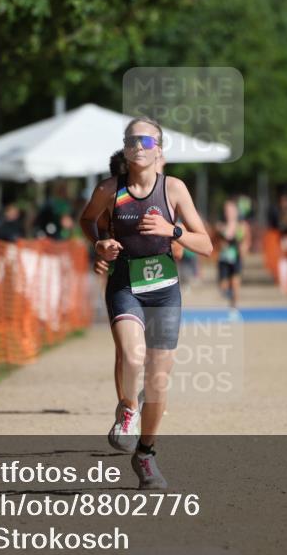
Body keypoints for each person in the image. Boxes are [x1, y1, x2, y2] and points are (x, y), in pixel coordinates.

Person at [80, 117, 212, 490]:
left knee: (157, 379)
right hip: (125, 283)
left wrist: (173, 231)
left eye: (147, 141)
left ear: (160, 150)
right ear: (125, 148)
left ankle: (146, 454)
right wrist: (99, 243)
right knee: (132, 356)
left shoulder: (174, 189)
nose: (139, 146)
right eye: (132, 140)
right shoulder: (109, 189)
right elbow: (88, 220)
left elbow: (206, 244)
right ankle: (127, 410)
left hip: (165, 289)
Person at [216, 199, 251, 308]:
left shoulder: (242, 225)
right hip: (224, 259)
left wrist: (244, 248)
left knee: (235, 284)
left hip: (236, 257)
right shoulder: (221, 225)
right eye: (226, 210)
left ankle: (234, 307)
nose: (228, 213)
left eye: (231, 210)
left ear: (236, 211)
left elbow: (247, 241)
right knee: (223, 286)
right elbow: (215, 242)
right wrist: (221, 242)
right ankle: (229, 294)